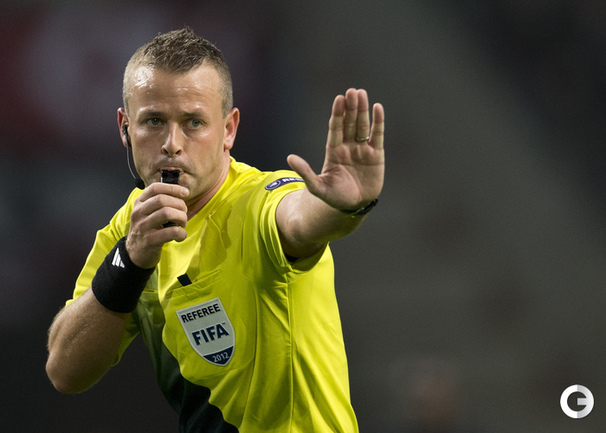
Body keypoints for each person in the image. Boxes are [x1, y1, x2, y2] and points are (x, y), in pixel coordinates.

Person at [46, 27, 385, 433]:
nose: (172, 143)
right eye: (153, 121)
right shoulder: (131, 227)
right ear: (124, 127)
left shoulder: (257, 201)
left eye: (193, 122)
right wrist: (130, 261)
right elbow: (65, 370)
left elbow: (299, 220)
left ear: (228, 130)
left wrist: (341, 206)